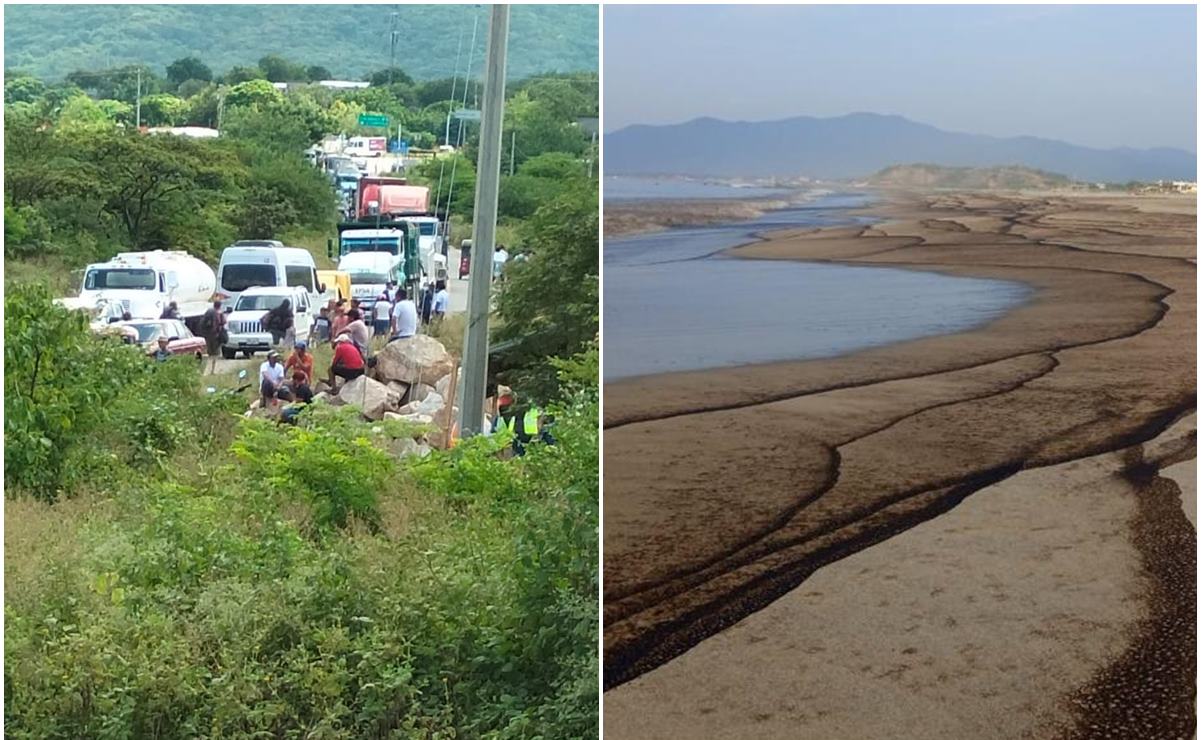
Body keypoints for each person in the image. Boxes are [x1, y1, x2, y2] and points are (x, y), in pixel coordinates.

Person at [199, 300, 227, 373]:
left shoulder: (209, 312)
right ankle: (213, 370)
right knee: (216, 353)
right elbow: (224, 322)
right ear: (220, 305)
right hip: (216, 336)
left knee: (209, 353)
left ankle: (206, 369)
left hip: (208, 335)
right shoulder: (220, 313)